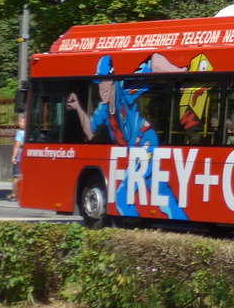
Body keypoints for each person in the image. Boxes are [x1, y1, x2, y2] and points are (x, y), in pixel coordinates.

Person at [66, 53, 189, 220]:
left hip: (145, 144)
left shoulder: (125, 91)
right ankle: (177, 216)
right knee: (163, 196)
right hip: (136, 152)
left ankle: (133, 230)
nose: (100, 86)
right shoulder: (103, 109)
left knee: (122, 198)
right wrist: (78, 108)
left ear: (113, 80)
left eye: (104, 80)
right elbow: (89, 131)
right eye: (98, 82)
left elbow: (154, 61)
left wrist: (179, 71)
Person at [9, 116, 26, 201]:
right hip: (28, 157)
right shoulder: (31, 132)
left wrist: (13, 157)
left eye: (21, 122)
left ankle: (14, 194)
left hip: (20, 157)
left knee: (16, 176)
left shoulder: (20, 133)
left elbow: (17, 145)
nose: (19, 123)